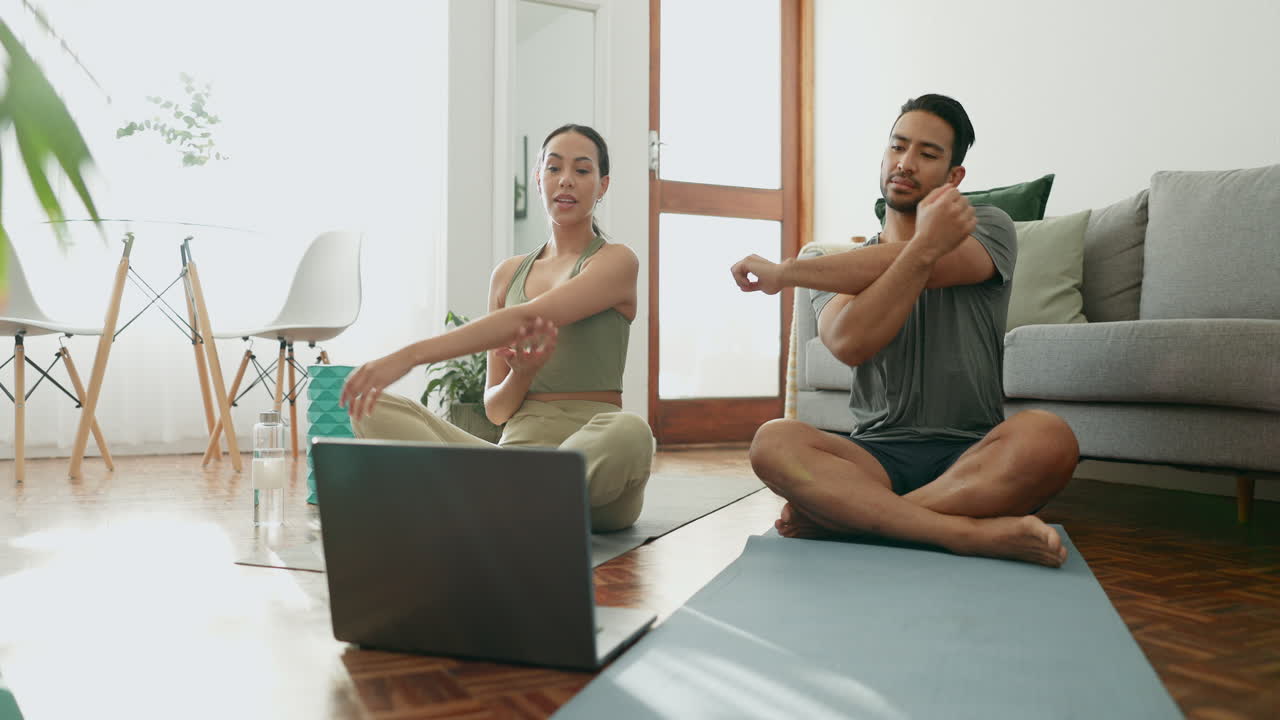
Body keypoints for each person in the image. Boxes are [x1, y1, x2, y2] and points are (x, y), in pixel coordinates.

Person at [729, 94, 1079, 567]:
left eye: (928, 154)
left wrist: (786, 272)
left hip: (972, 455)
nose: (906, 163)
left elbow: (933, 267)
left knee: (1050, 438)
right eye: (898, 147)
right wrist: (924, 244)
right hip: (873, 457)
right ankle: (961, 533)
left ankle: (854, 521)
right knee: (773, 440)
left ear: (954, 178)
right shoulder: (829, 267)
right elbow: (852, 344)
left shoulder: (989, 227)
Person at [341, 124, 653, 532]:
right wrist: (521, 376)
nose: (566, 180)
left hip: (593, 478)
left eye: (582, 170)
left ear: (602, 185)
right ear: (537, 179)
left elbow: (528, 318)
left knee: (631, 431)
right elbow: (496, 410)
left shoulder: (616, 262)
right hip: (513, 461)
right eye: (554, 168)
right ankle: (514, 501)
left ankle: (491, 499)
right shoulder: (507, 275)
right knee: (374, 407)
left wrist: (410, 355)